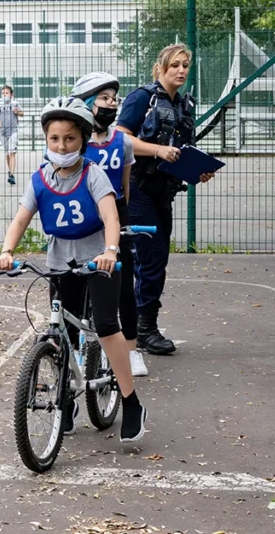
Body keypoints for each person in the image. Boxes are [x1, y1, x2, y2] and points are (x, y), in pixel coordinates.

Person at [0, 96, 148, 443]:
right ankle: (64, 397)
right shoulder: (40, 178)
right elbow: (21, 219)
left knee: (108, 325)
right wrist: (7, 251)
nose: (61, 145)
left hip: (97, 259)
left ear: (82, 139)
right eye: (54, 139)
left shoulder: (93, 174)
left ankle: (131, 401)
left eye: (69, 138)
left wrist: (111, 250)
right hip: (60, 262)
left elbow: (111, 216)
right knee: (63, 330)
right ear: (46, 140)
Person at [116, 44, 215, 356]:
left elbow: (179, 149)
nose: (181, 71)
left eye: (185, 65)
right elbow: (120, 137)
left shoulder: (183, 105)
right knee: (145, 257)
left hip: (163, 191)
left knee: (157, 260)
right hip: (138, 188)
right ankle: (138, 329)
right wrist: (157, 150)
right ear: (160, 68)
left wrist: (196, 170)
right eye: (174, 65)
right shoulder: (142, 98)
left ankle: (144, 326)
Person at [71, 71, 147, 378]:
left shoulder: (122, 143)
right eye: (103, 98)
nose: (110, 104)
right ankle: (75, 350)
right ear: (87, 104)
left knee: (123, 288)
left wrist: (121, 219)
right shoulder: (75, 143)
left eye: (113, 99)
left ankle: (131, 349)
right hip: (84, 221)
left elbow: (125, 186)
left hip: (115, 217)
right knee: (75, 287)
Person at [0, 85, 24, 185]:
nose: (5, 95)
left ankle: (12, 175)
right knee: (7, 154)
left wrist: (17, 112)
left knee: (12, 152)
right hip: (2, 132)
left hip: (13, 130)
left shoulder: (15, 104)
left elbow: (22, 113)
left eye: (7, 93)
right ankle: (10, 171)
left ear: (11, 94)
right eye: (3, 93)